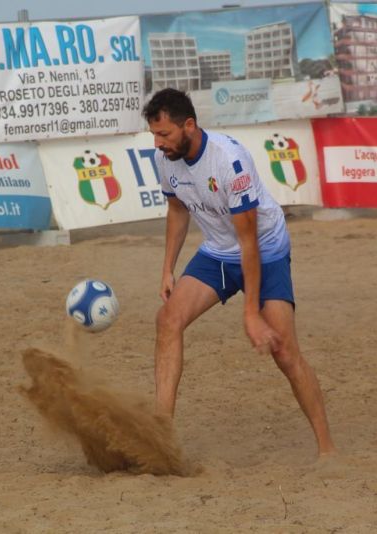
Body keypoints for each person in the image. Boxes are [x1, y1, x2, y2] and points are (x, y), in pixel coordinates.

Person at [143, 88, 336, 457]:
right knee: (167, 320)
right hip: (218, 251)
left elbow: (249, 243)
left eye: (164, 134)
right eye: (154, 134)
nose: (158, 143)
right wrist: (167, 269)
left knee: (284, 351)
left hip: (265, 249)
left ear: (189, 125)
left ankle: (327, 448)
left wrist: (251, 314)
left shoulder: (230, 161)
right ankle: (160, 439)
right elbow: (178, 210)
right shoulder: (165, 158)